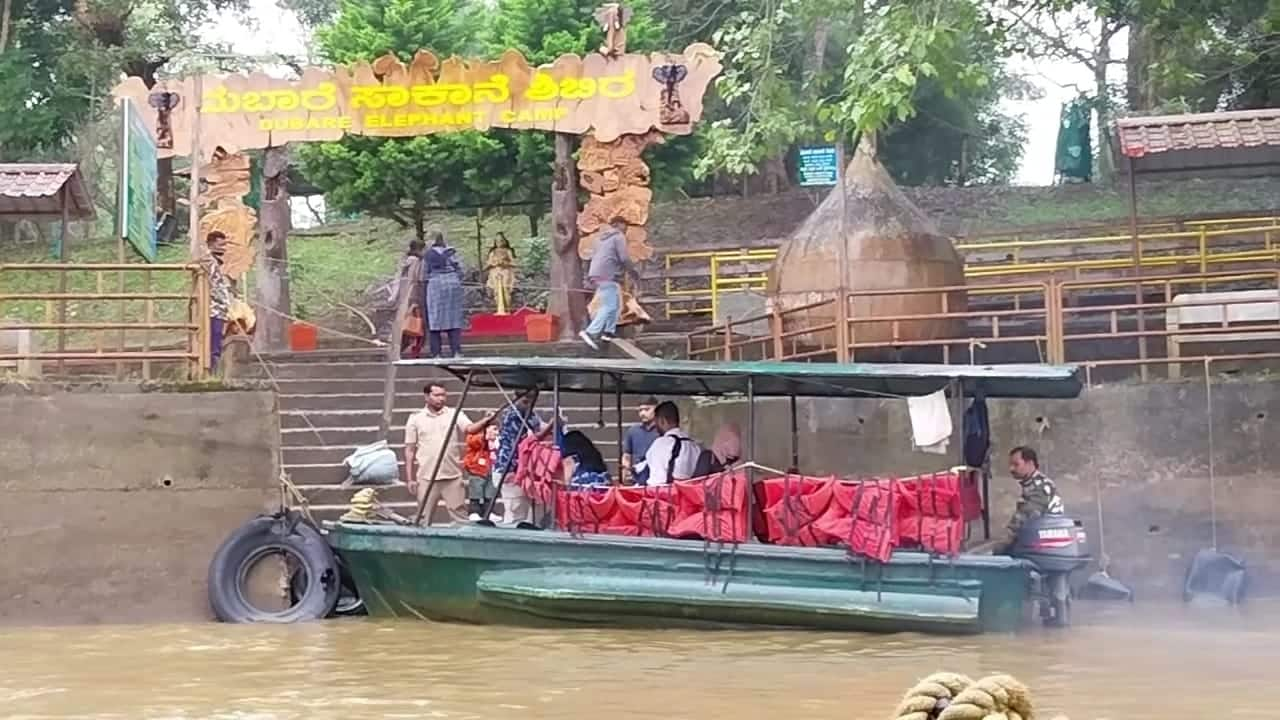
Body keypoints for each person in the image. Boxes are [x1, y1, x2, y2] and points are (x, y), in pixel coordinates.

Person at [403, 383, 497, 526]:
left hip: (452, 475)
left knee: (461, 517)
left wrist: (485, 420)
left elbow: (470, 429)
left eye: (443, 395)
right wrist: (410, 479)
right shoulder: (415, 418)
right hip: (427, 477)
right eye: (437, 395)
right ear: (427, 397)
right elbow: (409, 450)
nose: (441, 399)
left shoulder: (454, 413)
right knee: (423, 519)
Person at [487, 389, 555, 524]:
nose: (529, 403)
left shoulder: (531, 415)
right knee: (516, 512)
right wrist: (509, 470)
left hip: (526, 470)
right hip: (510, 469)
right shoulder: (513, 416)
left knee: (531, 514)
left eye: (532, 399)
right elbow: (518, 445)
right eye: (525, 400)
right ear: (516, 397)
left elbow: (540, 429)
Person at [993, 446, 1065, 554]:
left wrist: (999, 547)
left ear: (1030, 464)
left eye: (1016, 464)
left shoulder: (1040, 487)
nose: (1011, 469)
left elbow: (1023, 519)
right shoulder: (1034, 484)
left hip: (1044, 547)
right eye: (1010, 465)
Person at [580, 216, 636, 350]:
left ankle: (608, 332)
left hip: (597, 273)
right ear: (617, 225)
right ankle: (590, 332)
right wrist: (632, 271)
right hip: (606, 275)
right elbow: (623, 257)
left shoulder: (599, 239)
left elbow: (594, 257)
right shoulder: (618, 236)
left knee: (615, 305)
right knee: (609, 306)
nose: (626, 229)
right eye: (625, 225)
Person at [422, 231, 465, 358]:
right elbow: (461, 270)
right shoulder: (452, 253)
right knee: (454, 318)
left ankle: (436, 352)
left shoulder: (429, 255)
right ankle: (456, 351)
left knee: (435, 319)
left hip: (436, 286)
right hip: (453, 284)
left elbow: (424, 273)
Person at [643, 401, 703, 486]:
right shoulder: (694, 446)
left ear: (662, 421)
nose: (655, 427)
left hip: (667, 496)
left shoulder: (661, 444)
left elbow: (656, 481)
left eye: (656, 422)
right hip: (691, 496)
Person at [202, 231, 234, 372]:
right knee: (213, 344)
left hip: (219, 310)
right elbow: (213, 286)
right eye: (220, 245)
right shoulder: (208, 261)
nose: (223, 248)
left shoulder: (215, 263)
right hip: (212, 309)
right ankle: (211, 372)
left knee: (217, 342)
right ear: (211, 244)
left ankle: (213, 370)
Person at [463, 424, 499, 521]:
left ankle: (488, 512)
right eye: (494, 429)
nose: (496, 432)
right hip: (477, 469)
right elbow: (473, 442)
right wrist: (484, 437)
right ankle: (474, 511)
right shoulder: (476, 437)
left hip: (490, 470)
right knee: (476, 492)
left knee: (489, 493)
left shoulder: (496, 441)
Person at [621, 396, 660, 485]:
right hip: (636, 478)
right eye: (640, 410)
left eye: (647, 409)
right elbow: (627, 455)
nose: (642, 413)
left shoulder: (661, 432)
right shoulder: (633, 431)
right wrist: (625, 471)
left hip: (656, 478)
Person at [485, 233, 517, 315]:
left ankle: (507, 310)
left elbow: (514, 263)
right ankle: (499, 309)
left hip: (505, 273)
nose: (499, 243)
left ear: (505, 241)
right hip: (495, 273)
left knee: (506, 290)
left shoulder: (508, 251)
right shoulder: (492, 252)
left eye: (501, 241)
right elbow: (487, 265)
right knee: (496, 292)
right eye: (497, 241)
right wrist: (493, 263)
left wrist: (505, 263)